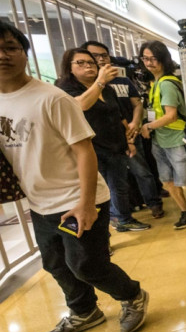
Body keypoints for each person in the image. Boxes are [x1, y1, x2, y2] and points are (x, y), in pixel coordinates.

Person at [0, 22, 148, 332]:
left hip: (79, 198)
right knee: (56, 264)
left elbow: (84, 151)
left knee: (87, 266)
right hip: (39, 203)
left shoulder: (53, 99)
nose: (3, 55)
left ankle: (132, 295)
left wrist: (86, 203)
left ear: (24, 53)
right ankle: (84, 311)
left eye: (10, 47)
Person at [55, 48, 151, 233]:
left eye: (90, 62)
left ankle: (123, 220)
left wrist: (129, 140)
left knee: (119, 187)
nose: (88, 66)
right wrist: (100, 81)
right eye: (80, 63)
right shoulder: (65, 89)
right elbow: (81, 105)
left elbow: (118, 115)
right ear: (69, 67)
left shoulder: (107, 89)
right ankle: (101, 232)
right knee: (96, 193)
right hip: (89, 150)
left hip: (115, 146)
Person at [81, 40, 164, 220]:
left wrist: (135, 123)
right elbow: (81, 106)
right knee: (109, 182)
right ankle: (120, 215)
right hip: (100, 142)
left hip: (130, 134)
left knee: (142, 172)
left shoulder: (122, 80)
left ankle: (153, 203)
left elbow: (135, 105)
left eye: (104, 55)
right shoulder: (83, 86)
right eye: (95, 56)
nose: (101, 60)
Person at [138, 40, 186, 229]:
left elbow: (171, 115)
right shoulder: (155, 83)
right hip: (159, 139)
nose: (149, 62)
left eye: (154, 58)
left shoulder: (167, 84)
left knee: (184, 178)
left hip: (177, 138)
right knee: (167, 180)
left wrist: (148, 126)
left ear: (163, 59)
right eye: (145, 58)